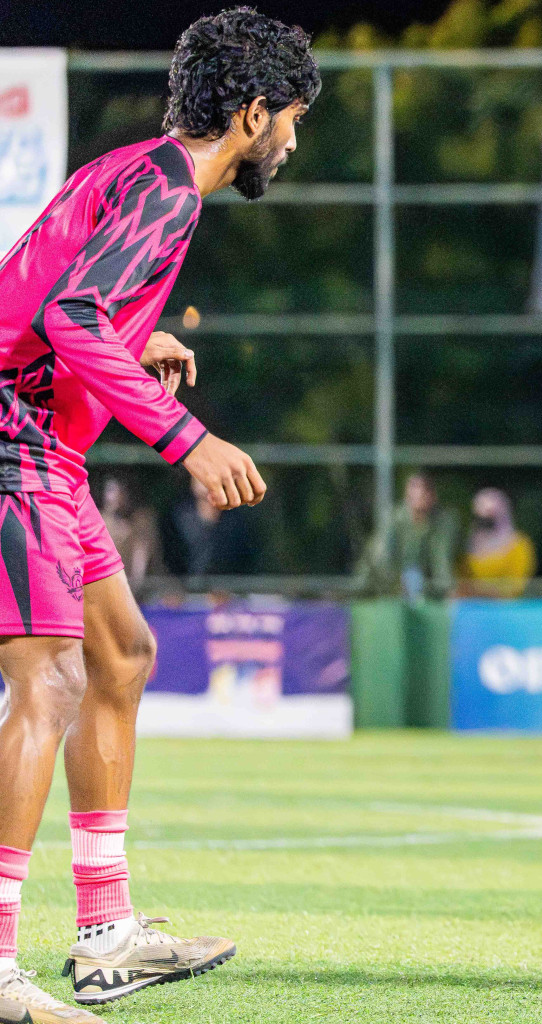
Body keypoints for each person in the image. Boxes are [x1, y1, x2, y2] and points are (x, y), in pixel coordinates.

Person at [0, 8, 317, 1020]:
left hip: (51, 447)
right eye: (291, 120)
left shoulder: (137, 169)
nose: (293, 142)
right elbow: (66, 315)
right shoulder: (169, 194)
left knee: (121, 656)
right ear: (254, 111)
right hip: (16, 443)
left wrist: (136, 347)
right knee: (48, 679)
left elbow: (40, 298)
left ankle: (107, 936)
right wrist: (191, 439)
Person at [355, 472, 459, 601]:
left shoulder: (443, 520)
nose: (419, 498)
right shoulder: (393, 519)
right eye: (413, 494)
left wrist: (446, 590)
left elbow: (441, 560)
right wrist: (395, 584)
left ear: (433, 496)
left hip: (422, 587)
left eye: (424, 493)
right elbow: (380, 557)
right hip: (383, 585)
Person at [169, 477, 260, 579]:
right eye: (198, 475)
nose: (205, 479)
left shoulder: (237, 520)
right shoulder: (178, 516)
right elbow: (170, 561)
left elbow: (247, 561)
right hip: (184, 589)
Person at [460, 488, 536, 597]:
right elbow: (461, 582)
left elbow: (516, 586)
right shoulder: (468, 546)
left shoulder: (519, 545)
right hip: (473, 609)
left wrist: (484, 592)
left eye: (489, 515)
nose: (484, 520)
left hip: (506, 611)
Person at [97, 478, 162, 595]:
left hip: (142, 591)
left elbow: (143, 559)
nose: (117, 495)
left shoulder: (142, 521)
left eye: (121, 491)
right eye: (111, 490)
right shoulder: (97, 522)